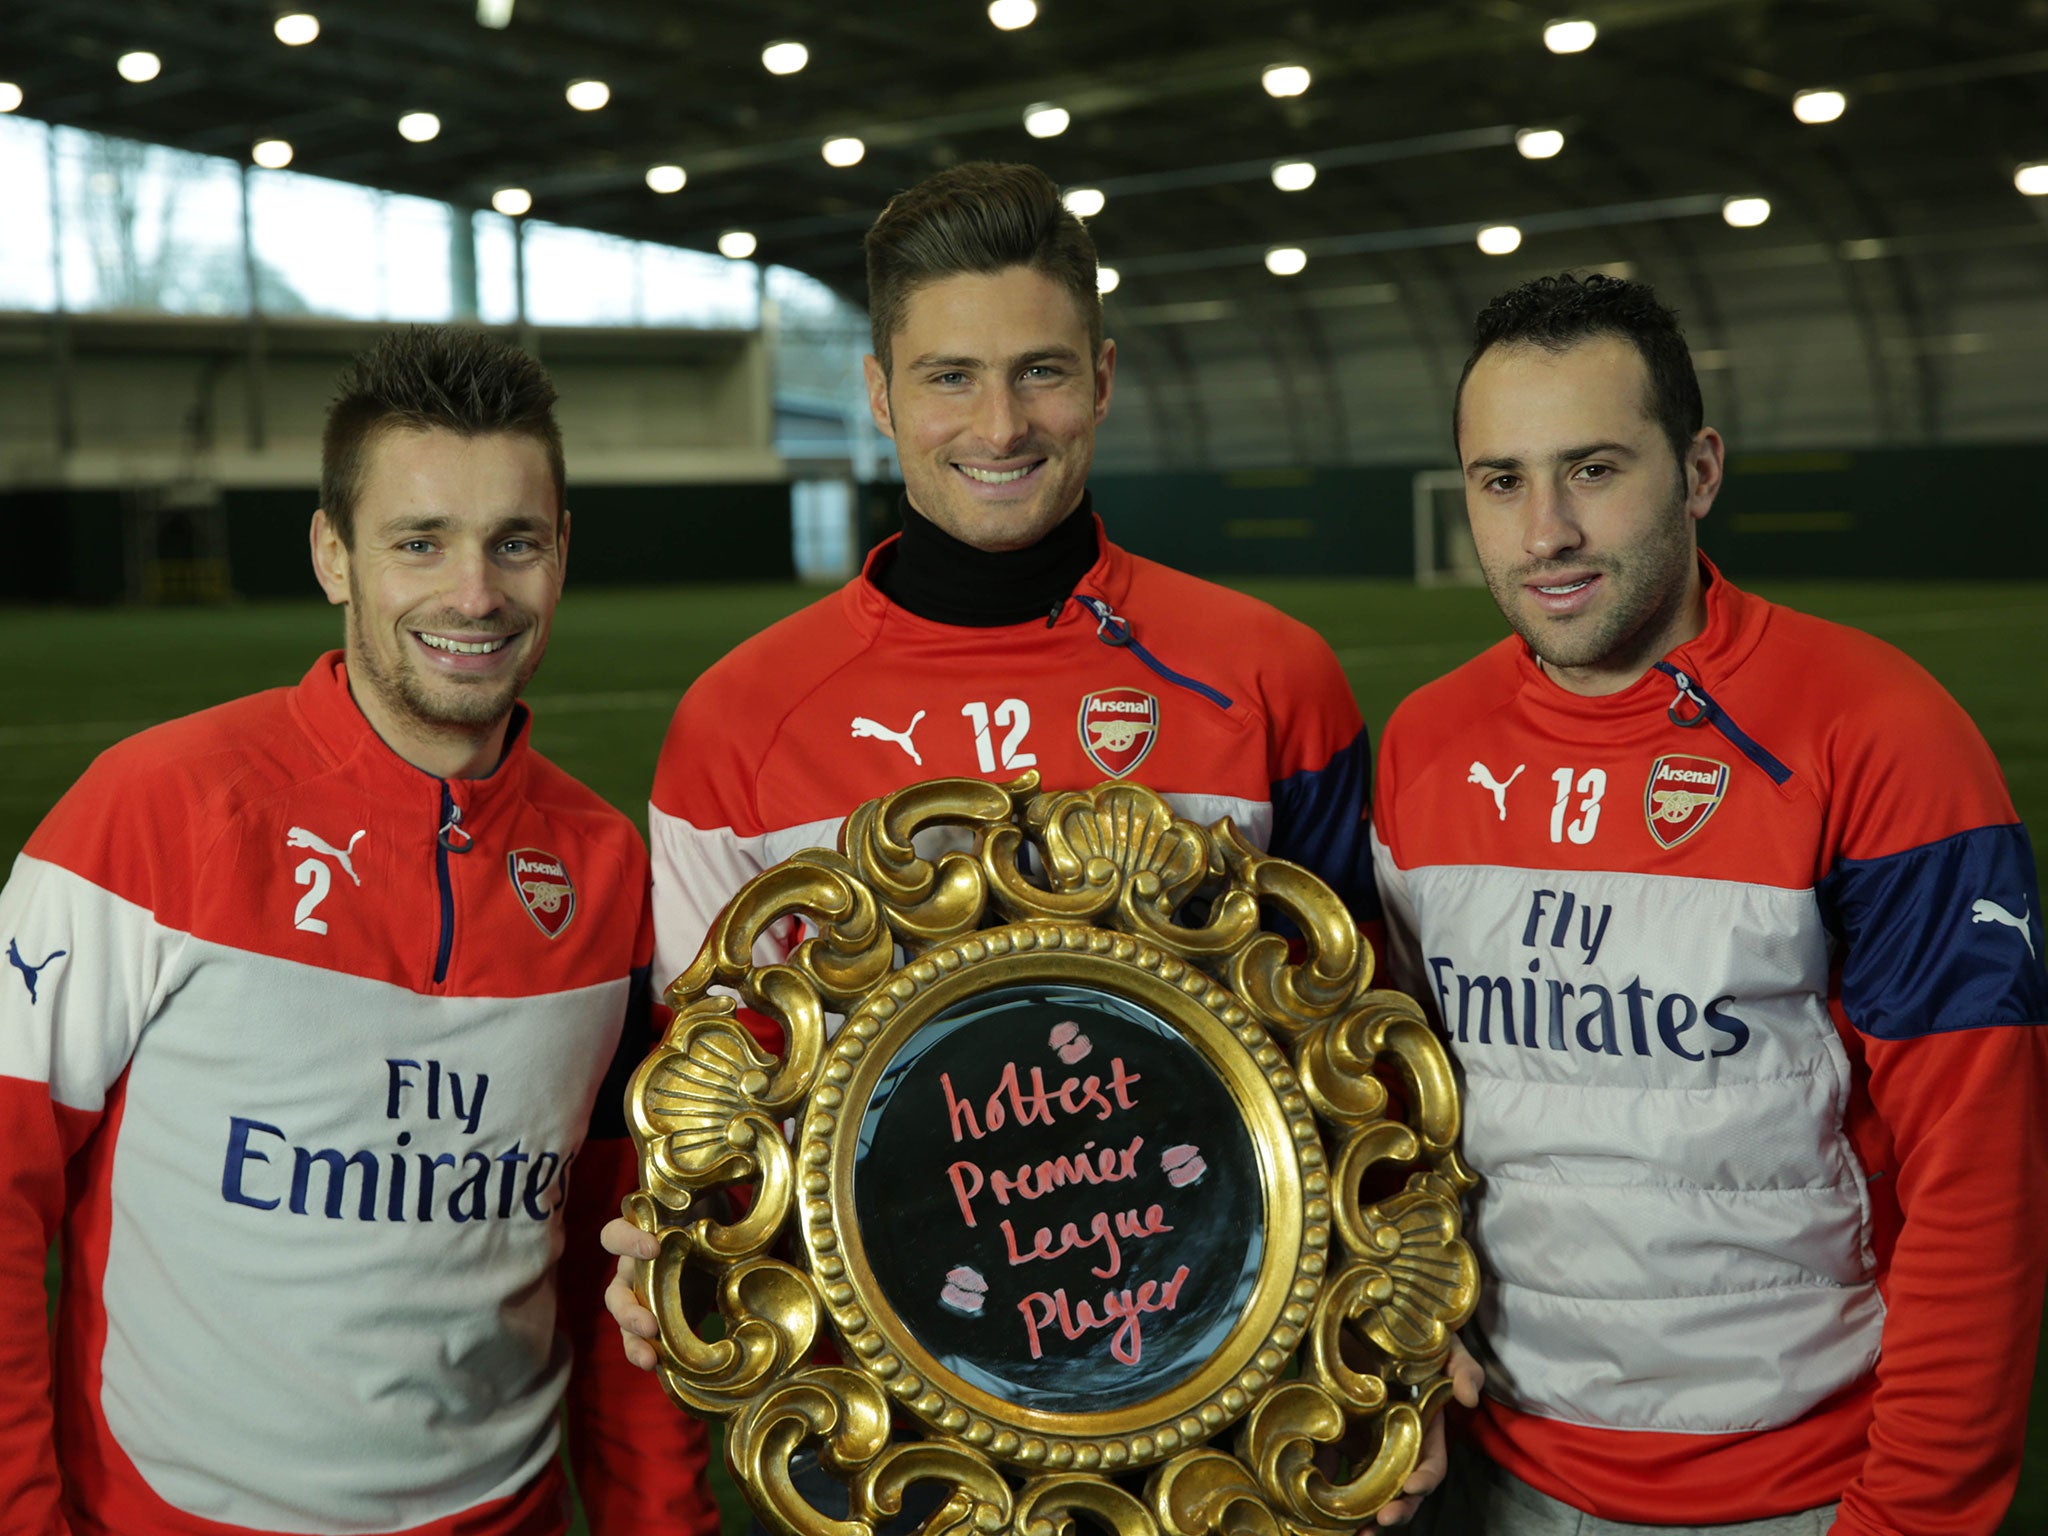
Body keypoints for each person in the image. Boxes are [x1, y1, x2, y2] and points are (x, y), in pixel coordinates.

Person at [606, 161, 1477, 1526]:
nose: (1001, 424)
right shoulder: (740, 722)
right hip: (905, 1430)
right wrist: (673, 1234)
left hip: (1229, 1412)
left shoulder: (1267, 677)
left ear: (1106, 378)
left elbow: (1363, 1063)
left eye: (1042, 373)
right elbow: (713, 1082)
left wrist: (1392, 1361)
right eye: (950, 377)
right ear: (882, 395)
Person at [0, 329, 719, 1536]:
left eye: (515, 543)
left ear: (561, 553)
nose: (474, 594)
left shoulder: (608, 877)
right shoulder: (149, 813)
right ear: (334, 553)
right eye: (419, 542)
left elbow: (626, 1260)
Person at [1372, 272, 2048, 1535]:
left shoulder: (1880, 733)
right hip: (1491, 1479)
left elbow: (1981, 1175)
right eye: (1500, 481)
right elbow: (1392, 1117)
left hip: (1801, 1492)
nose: (1545, 532)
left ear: (1696, 470)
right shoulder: (1423, 747)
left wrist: (1909, 1515)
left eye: (1592, 469)